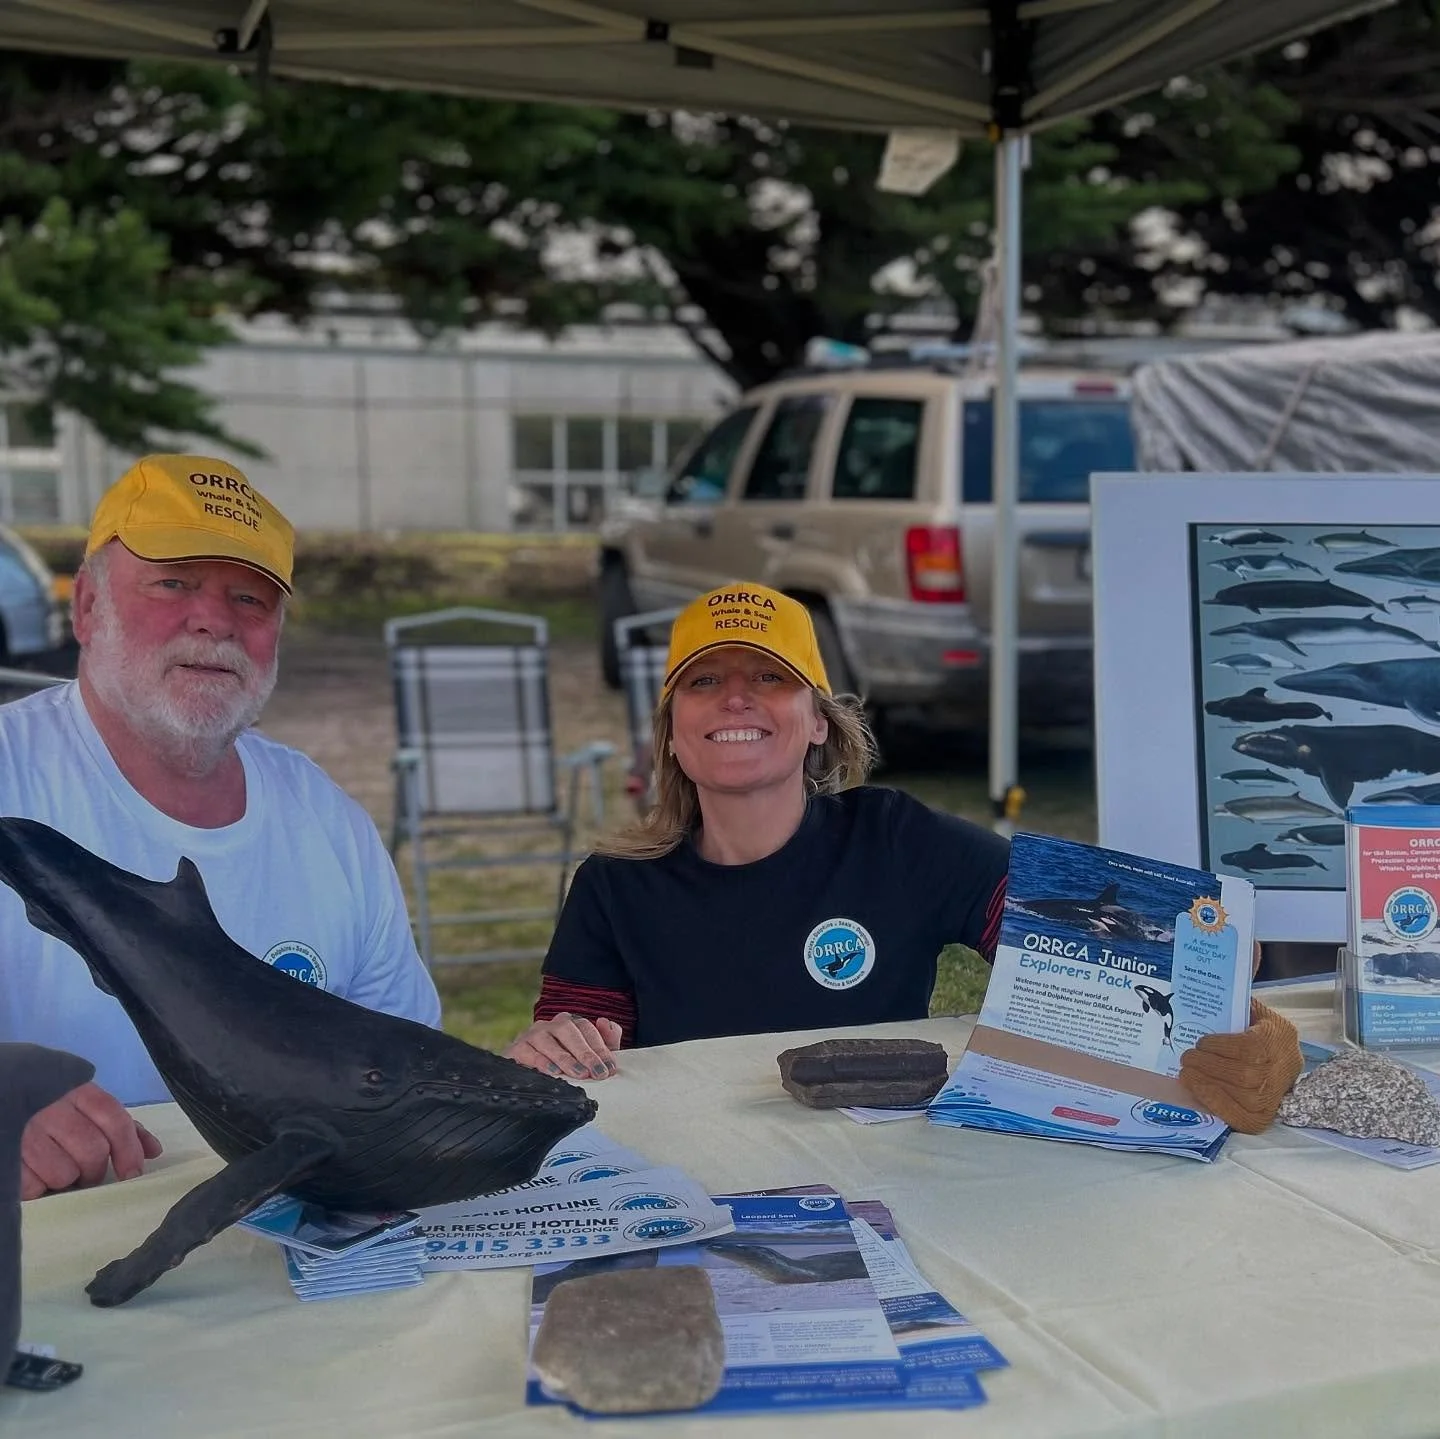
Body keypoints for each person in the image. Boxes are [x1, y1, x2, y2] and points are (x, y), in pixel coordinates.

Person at [506, 581, 1303, 1134]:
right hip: (698, 1177)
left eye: (770, 677)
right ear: (673, 732)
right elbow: (572, 1046)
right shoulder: (615, 885)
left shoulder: (892, 838)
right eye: (704, 679)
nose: (736, 698)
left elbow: (1075, 925)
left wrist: (1211, 959)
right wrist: (556, 1042)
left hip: (885, 1169)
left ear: (818, 722)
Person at [0, 454, 440, 1200]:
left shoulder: (327, 821)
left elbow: (405, 1071)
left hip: (284, 1258)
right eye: (172, 583)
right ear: (85, 608)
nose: (214, 620)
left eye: (251, 598)